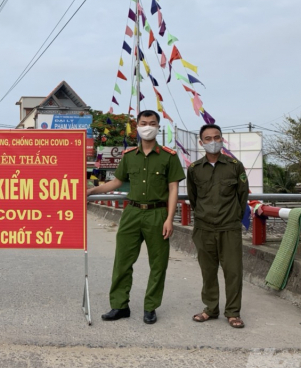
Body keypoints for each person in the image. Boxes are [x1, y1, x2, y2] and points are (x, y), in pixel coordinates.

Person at [87, 110, 185, 324]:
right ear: (137, 127)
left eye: (151, 123)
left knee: (158, 263)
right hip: (131, 212)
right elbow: (117, 182)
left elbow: (173, 188)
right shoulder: (129, 155)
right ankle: (120, 305)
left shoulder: (169, 156)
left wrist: (170, 218)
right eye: (143, 123)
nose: (147, 126)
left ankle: (150, 307)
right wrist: (91, 191)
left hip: (158, 213)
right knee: (122, 260)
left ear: (158, 127)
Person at [187, 124, 249, 329]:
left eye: (216, 137)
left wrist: (233, 218)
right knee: (208, 270)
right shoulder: (194, 169)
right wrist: (204, 216)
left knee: (233, 271)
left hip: (229, 227)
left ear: (222, 139)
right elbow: (193, 198)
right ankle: (210, 309)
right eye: (208, 138)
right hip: (204, 227)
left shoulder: (235, 166)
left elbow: (242, 196)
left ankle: (233, 312)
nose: (213, 141)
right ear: (201, 142)